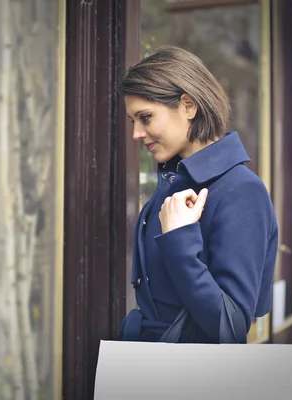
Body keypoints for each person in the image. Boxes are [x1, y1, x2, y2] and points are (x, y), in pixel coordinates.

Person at [117, 46, 278, 344]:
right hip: (152, 366)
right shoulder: (175, 180)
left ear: (188, 106)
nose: (136, 133)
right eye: (133, 121)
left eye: (146, 117)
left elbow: (230, 327)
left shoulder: (241, 191)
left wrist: (180, 238)